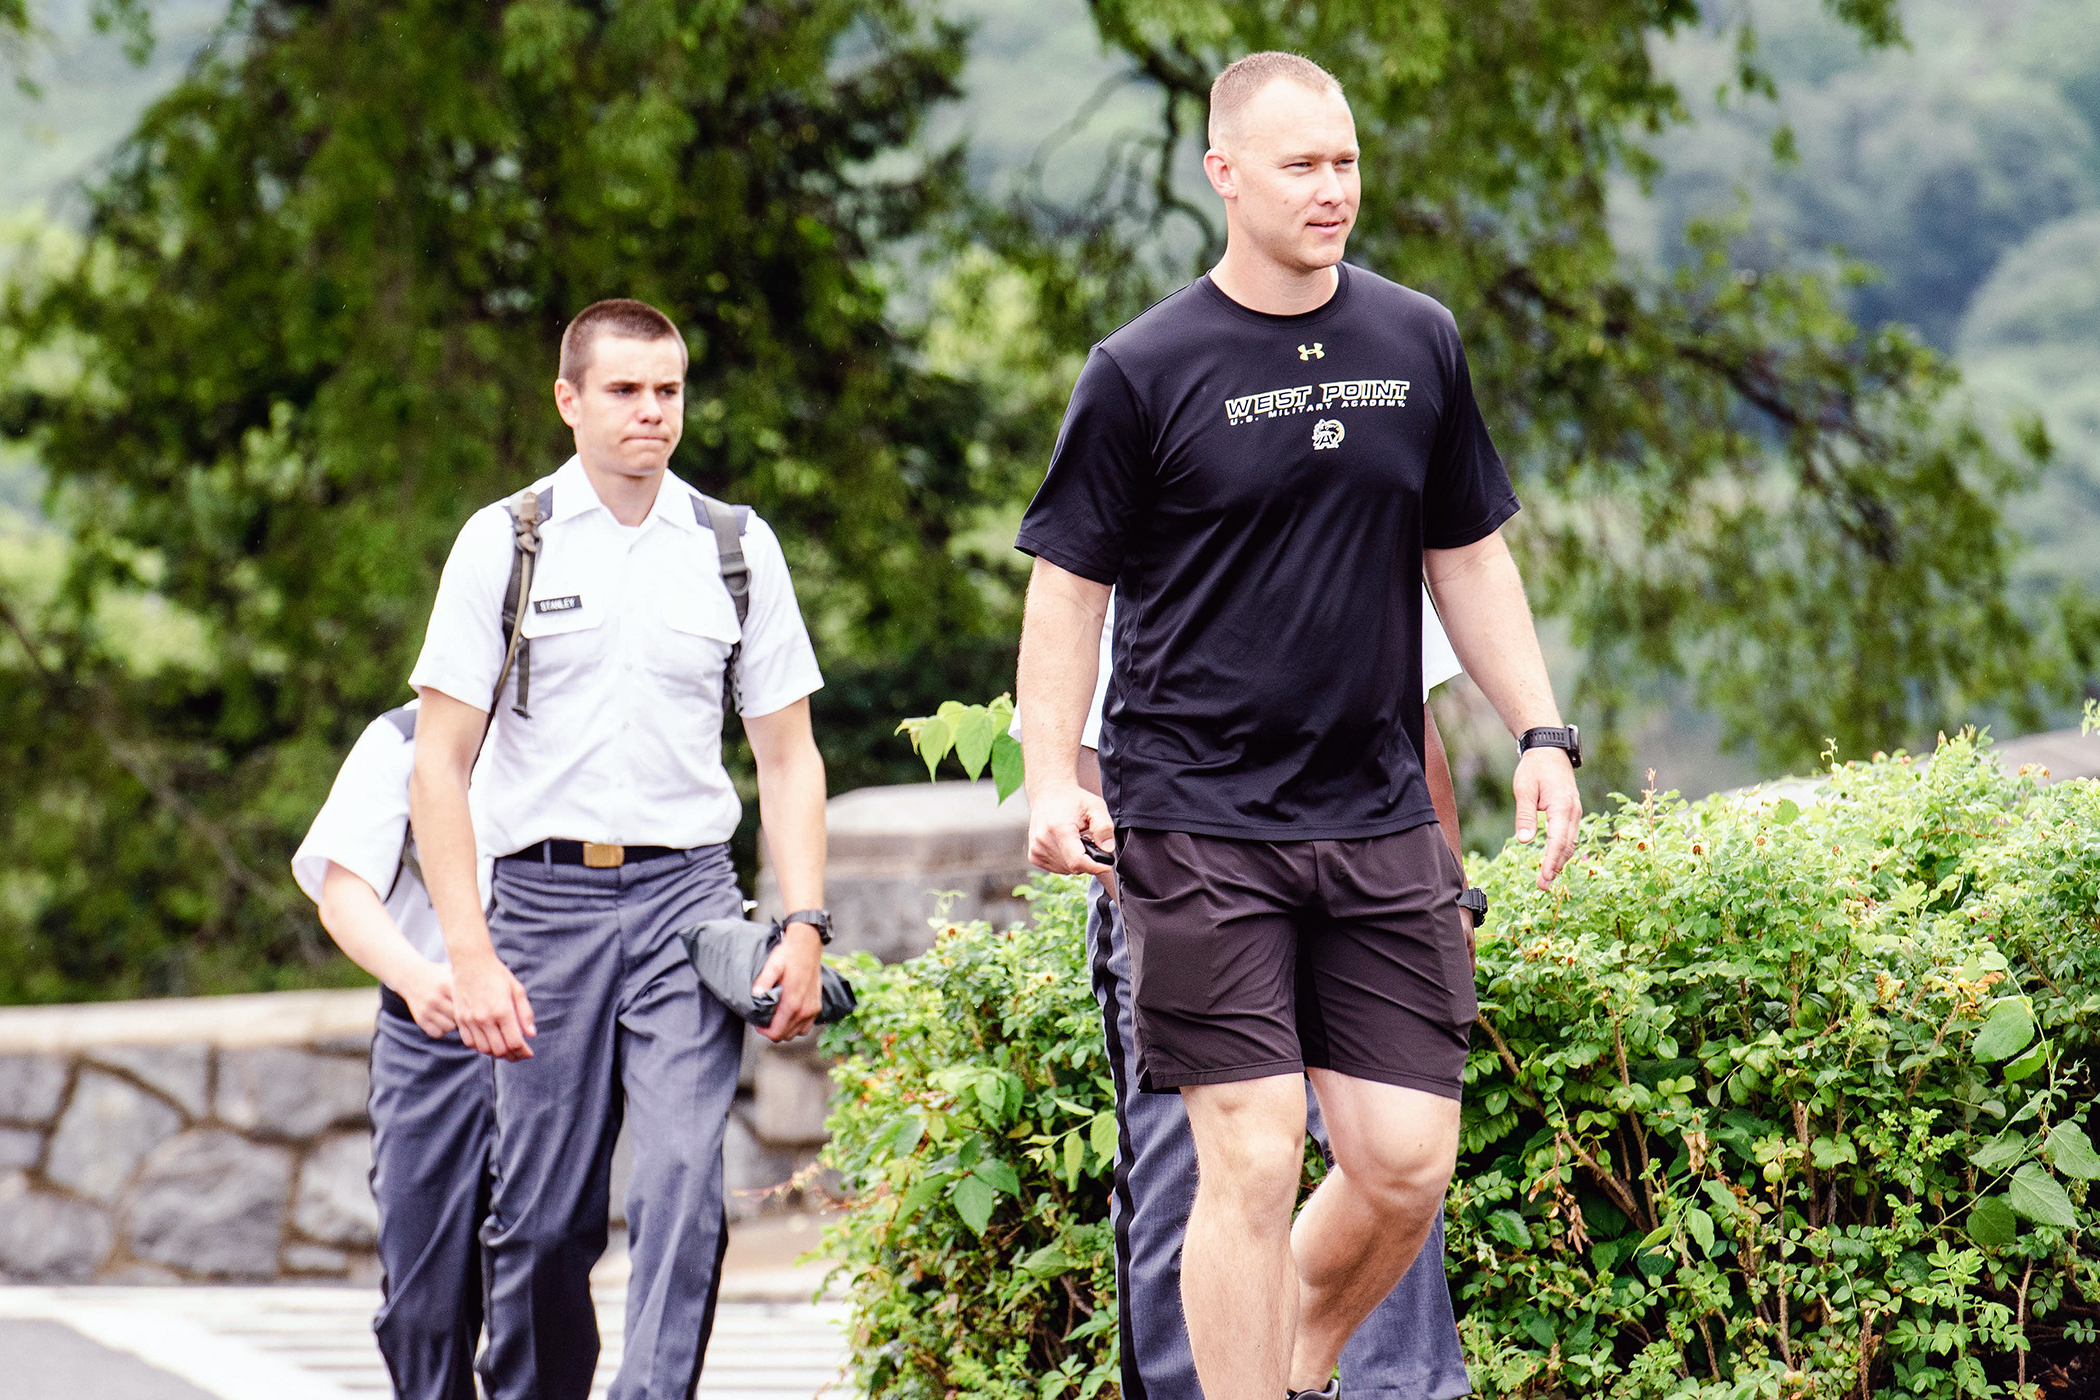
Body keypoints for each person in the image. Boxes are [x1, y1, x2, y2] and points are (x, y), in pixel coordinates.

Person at [1015, 52, 1583, 1400]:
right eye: (1300, 166)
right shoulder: (1144, 368)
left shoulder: (1415, 340)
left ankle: (1289, 1360)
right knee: (1255, 1153)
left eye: (1345, 163)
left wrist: (1544, 735)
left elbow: (1470, 558)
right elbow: (1066, 589)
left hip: (1376, 816)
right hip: (1198, 816)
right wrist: (1049, 775)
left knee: (1401, 1167)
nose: (1333, 190)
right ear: (1224, 174)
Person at [407, 298, 832, 1400]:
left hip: (687, 904)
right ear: (568, 398)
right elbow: (437, 765)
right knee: (544, 1220)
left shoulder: (735, 546)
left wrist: (801, 920)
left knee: (686, 1187)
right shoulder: (503, 539)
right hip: (539, 907)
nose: (652, 412)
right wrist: (470, 951)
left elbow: (786, 756)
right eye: (625, 390)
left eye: (668, 389)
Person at [1068, 591, 1478, 1400]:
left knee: (1390, 1163)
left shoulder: (1363, 479)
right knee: (1194, 1175)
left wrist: (1451, 897)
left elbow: (1408, 724)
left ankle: (1360, 1384)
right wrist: (1161, 905)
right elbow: (1082, 742)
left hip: (1363, 875)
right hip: (1187, 882)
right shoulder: (1136, 481)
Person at [291, 699, 494, 1400]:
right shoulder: (400, 738)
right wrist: (419, 980)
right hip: (430, 1035)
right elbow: (344, 894)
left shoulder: (570, 729)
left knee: (539, 1276)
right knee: (422, 1302)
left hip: (552, 1037)